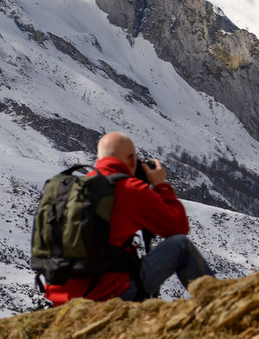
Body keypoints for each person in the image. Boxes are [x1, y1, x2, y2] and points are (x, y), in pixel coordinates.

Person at [44, 131, 213, 305]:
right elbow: (178, 226)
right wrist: (161, 185)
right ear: (132, 160)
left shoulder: (71, 190)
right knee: (181, 245)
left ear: (99, 160)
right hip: (109, 296)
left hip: (60, 299)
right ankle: (220, 303)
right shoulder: (129, 189)